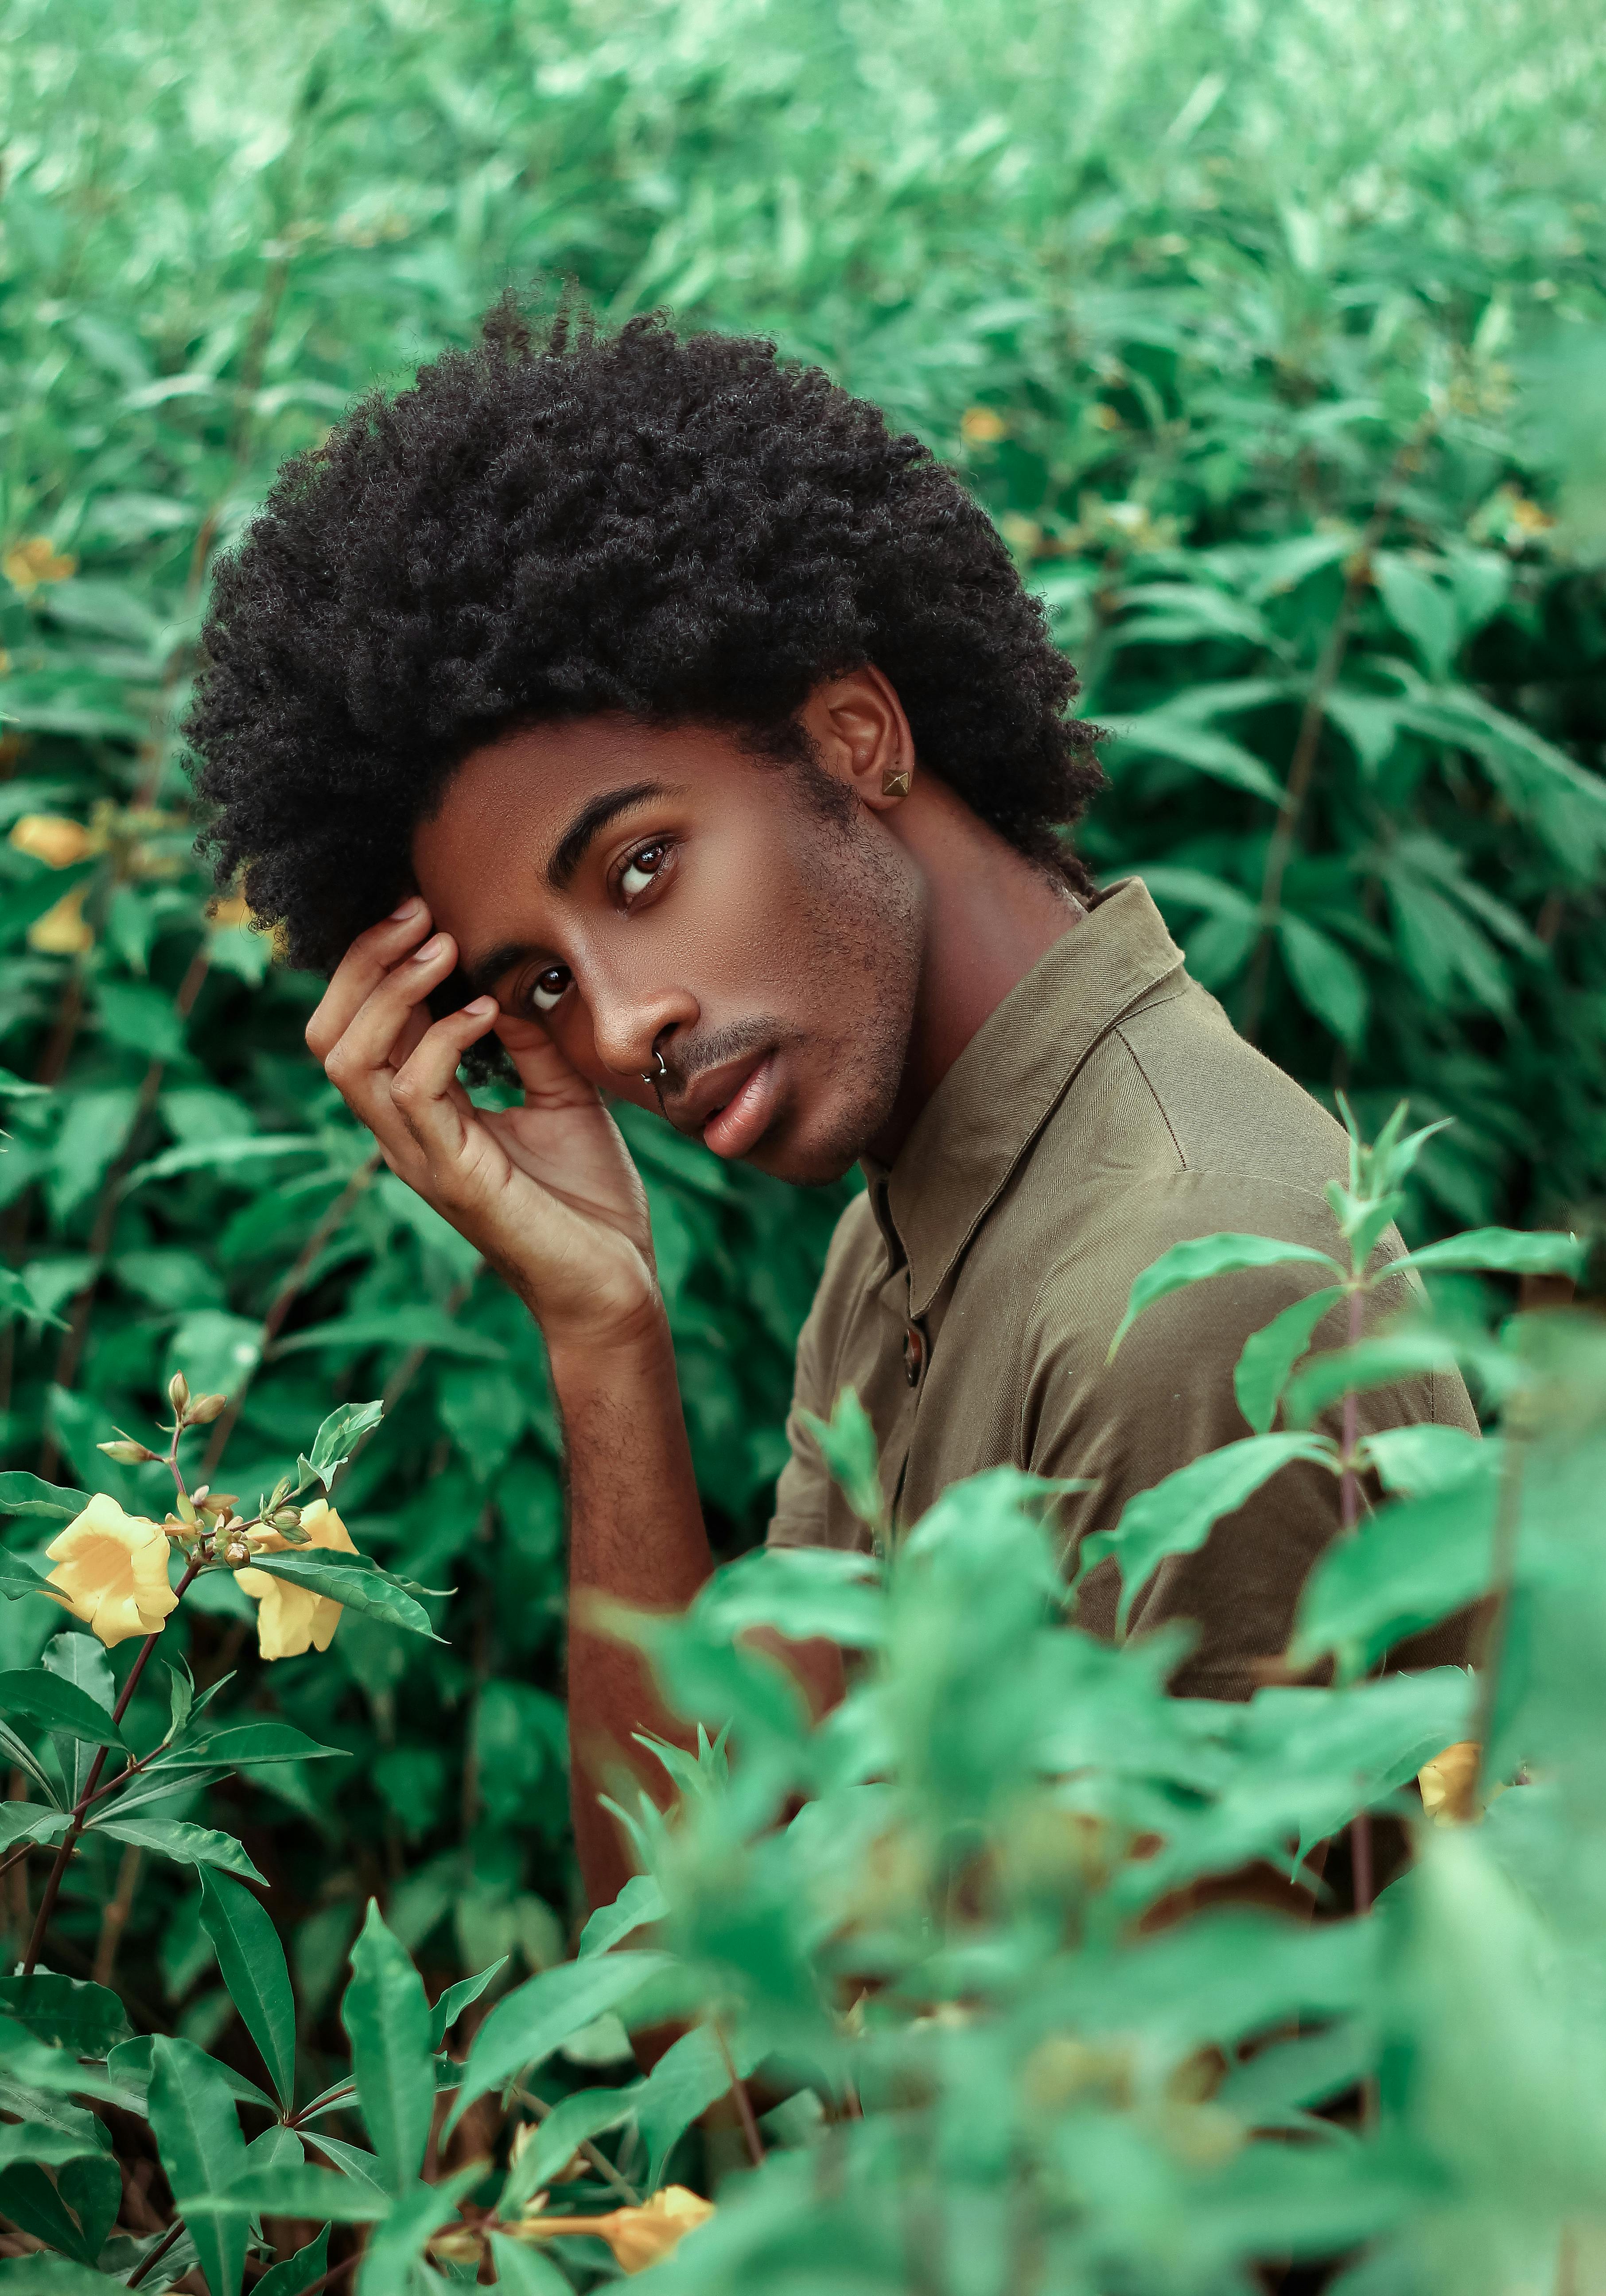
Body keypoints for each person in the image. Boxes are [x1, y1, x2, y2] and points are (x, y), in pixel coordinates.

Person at [185, 303, 1475, 1913]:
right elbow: (689, 1953)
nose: (622, 1022)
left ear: (854, 735)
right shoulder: (916, 1222)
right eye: (532, 990)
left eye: (641, 867)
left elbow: (1203, 2126)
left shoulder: (1186, 1282)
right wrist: (601, 1326)